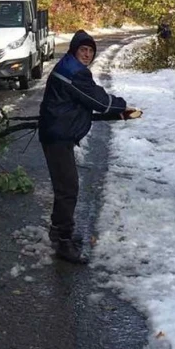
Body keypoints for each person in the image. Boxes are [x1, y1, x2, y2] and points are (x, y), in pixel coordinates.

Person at [39, 30, 139, 264]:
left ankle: (58, 231)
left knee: (64, 186)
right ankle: (64, 241)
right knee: (68, 189)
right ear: (75, 50)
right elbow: (99, 101)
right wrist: (121, 105)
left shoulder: (69, 66)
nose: (86, 54)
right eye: (83, 50)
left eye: (90, 51)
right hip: (57, 136)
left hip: (55, 132)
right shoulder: (74, 72)